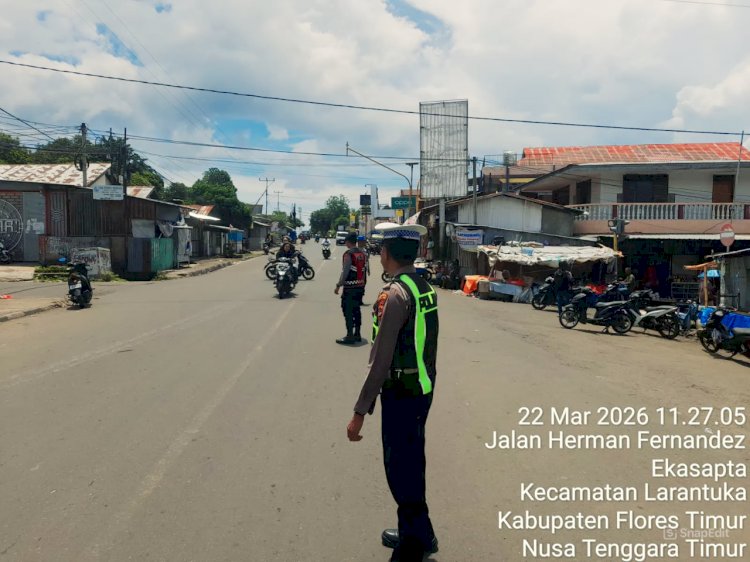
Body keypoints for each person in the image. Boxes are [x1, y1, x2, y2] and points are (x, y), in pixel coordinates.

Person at [347, 222, 439, 562]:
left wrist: (359, 412)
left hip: (402, 392)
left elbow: (380, 360)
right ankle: (419, 532)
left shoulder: (396, 295)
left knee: (401, 469)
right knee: (412, 463)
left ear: (385, 254)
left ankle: (413, 546)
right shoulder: (423, 286)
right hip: (422, 387)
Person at [334, 233, 368, 344]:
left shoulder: (348, 254)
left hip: (350, 288)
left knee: (347, 310)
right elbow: (364, 270)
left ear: (348, 242)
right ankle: (357, 334)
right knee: (357, 310)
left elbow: (345, 271)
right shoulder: (362, 253)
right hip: (360, 286)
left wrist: (338, 285)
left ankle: (350, 336)